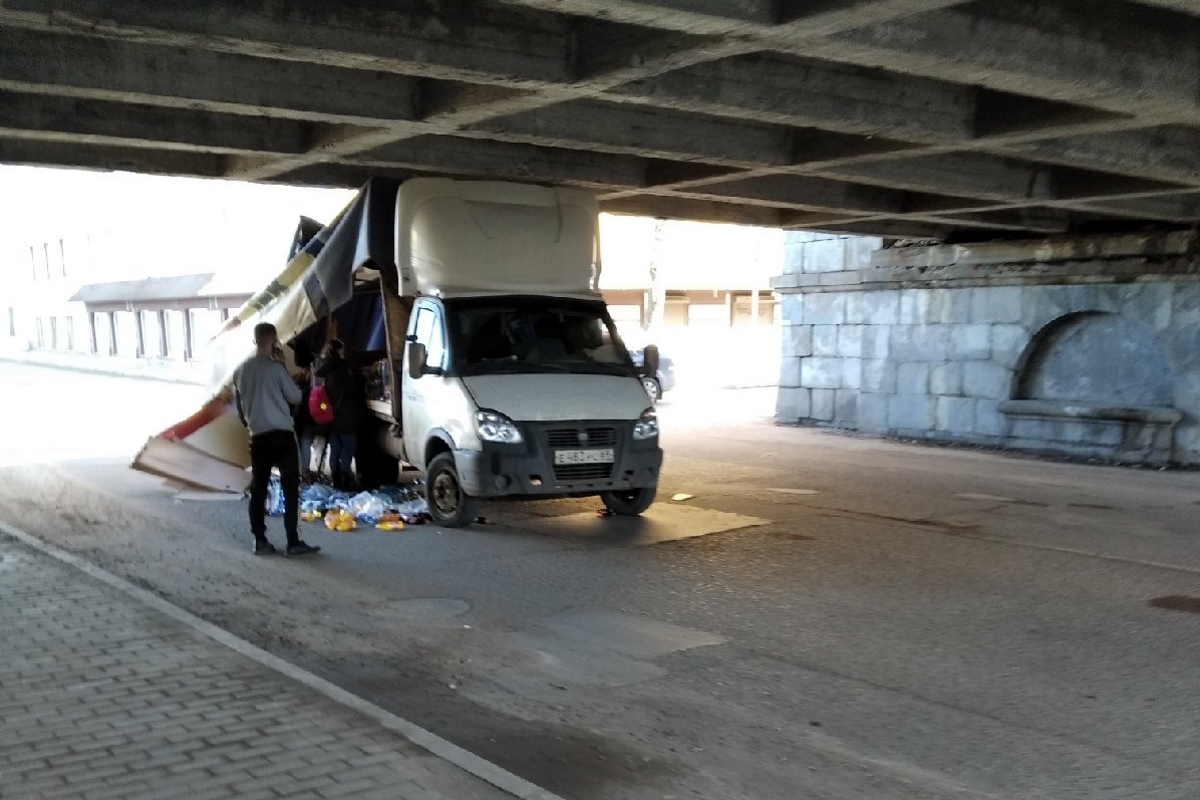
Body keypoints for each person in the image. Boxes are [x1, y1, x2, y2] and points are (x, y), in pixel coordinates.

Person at [233, 323, 321, 557]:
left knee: (259, 489)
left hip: (258, 436)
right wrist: (282, 366)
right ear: (274, 343)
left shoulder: (240, 371)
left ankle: (259, 540)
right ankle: (293, 542)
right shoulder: (276, 369)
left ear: (255, 341)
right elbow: (295, 396)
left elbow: (241, 409)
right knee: (291, 490)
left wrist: (252, 424)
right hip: (282, 435)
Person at [315, 338, 364, 490]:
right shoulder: (341, 367)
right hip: (345, 413)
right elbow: (352, 388)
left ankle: (335, 478)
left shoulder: (322, 367)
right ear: (337, 351)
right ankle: (344, 477)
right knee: (349, 446)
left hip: (329, 413)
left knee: (335, 447)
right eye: (342, 349)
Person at [289, 339, 326, 483]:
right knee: (313, 441)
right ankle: (315, 469)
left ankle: (305, 470)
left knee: (304, 441)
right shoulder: (317, 373)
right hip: (315, 417)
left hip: (306, 417)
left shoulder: (299, 378)